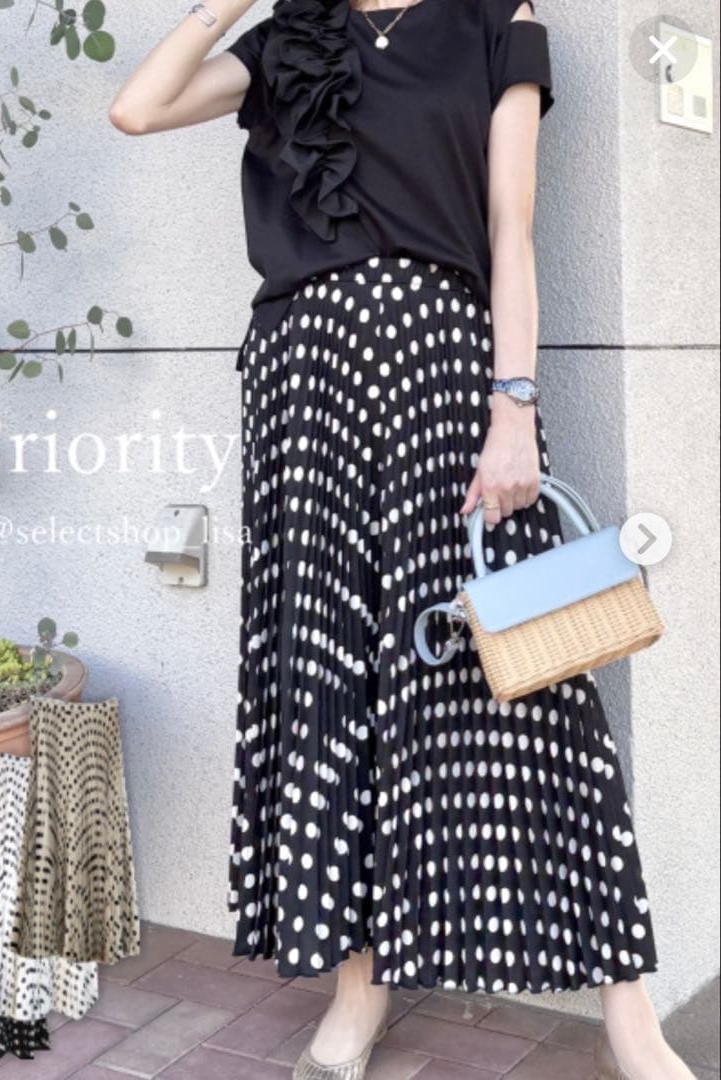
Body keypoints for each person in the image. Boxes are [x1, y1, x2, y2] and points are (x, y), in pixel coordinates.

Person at [109, 2, 696, 1077]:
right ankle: (359, 986)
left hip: (442, 377)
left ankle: (627, 1008)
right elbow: (136, 110)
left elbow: (510, 227)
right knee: (333, 674)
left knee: (522, 673)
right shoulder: (292, 37)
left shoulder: (493, 20)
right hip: (304, 390)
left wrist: (513, 404)